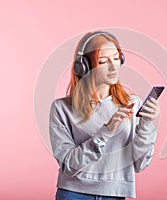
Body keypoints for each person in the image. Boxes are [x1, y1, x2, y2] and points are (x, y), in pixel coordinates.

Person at [49, 30, 160, 200]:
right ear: (84, 66)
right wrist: (106, 130)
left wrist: (146, 125)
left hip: (114, 194)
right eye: (103, 61)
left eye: (116, 59)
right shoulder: (61, 108)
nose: (113, 66)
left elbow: (139, 164)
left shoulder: (132, 104)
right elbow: (68, 164)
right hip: (73, 193)